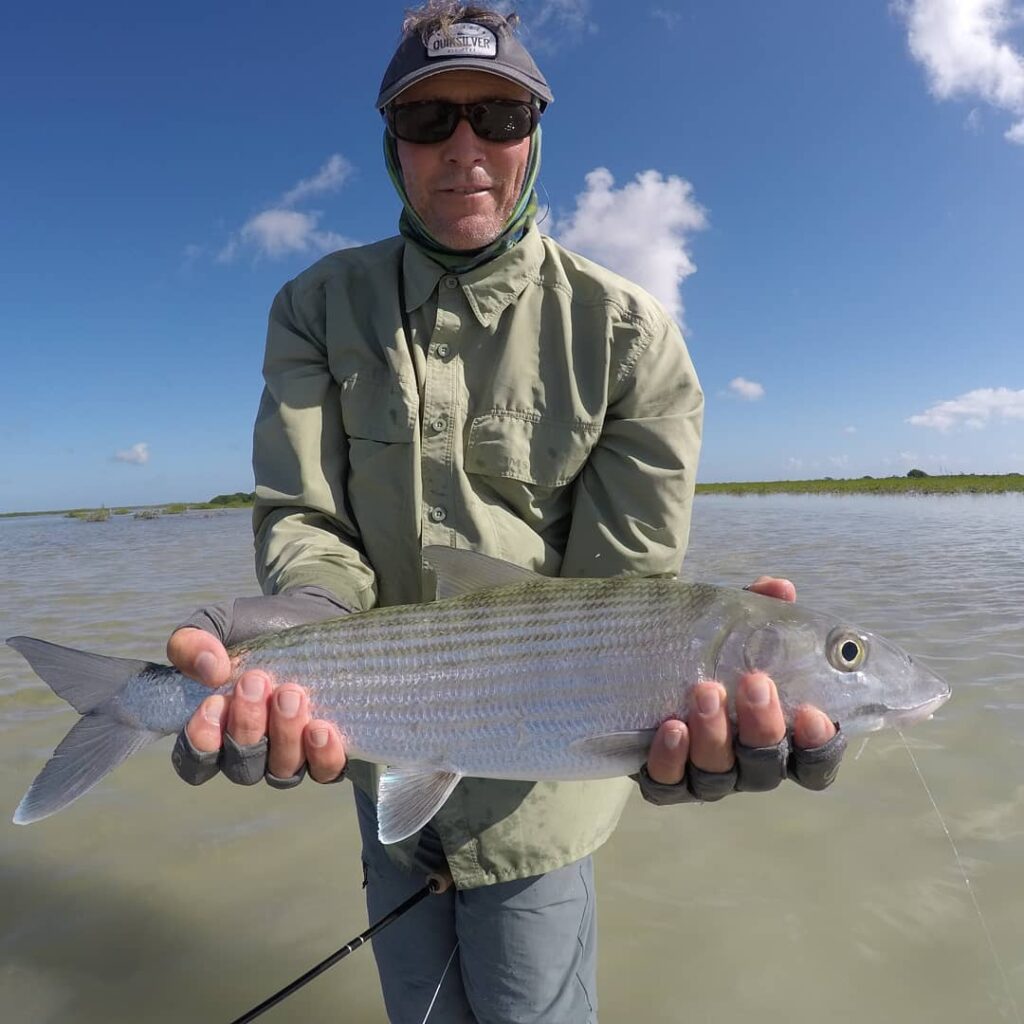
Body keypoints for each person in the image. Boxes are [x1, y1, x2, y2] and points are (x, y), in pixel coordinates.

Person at [167, 4, 846, 1021]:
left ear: (536, 131)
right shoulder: (314, 306)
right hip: (373, 740)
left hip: (547, 797)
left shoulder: (629, 334)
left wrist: (682, 654)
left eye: (498, 112)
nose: (465, 148)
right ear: (391, 146)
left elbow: (623, 586)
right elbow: (306, 520)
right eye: (428, 120)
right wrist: (299, 622)